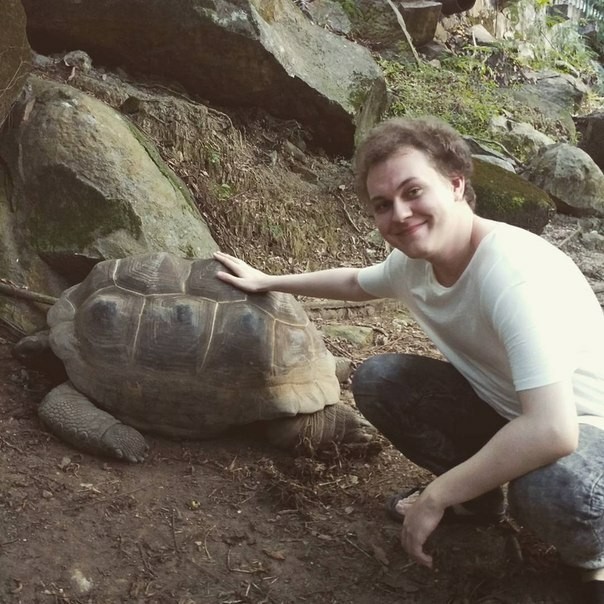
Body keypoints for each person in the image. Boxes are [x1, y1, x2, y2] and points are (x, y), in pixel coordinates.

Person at [214, 116, 604, 602]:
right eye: (383, 204)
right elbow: (356, 282)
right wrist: (267, 279)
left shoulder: (512, 274)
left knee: (549, 486)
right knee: (382, 378)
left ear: (456, 184)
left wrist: (438, 494)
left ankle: (594, 556)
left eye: (413, 191)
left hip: (588, 430)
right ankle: (479, 501)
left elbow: (554, 431)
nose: (399, 214)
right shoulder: (416, 263)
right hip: (518, 412)